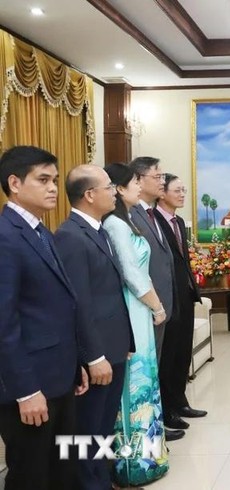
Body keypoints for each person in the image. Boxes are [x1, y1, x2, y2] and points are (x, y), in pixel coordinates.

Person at [0, 145, 88, 490]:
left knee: (60, 470)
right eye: (43, 179)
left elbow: (55, 308)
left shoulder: (40, 231)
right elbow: (4, 323)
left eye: (54, 179)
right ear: (15, 183)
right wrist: (25, 391)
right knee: (31, 475)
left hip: (58, 376)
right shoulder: (6, 237)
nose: (53, 187)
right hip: (30, 385)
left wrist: (75, 362)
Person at [54, 165, 136, 490]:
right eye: (108, 187)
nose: (114, 191)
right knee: (88, 431)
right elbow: (79, 303)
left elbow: (110, 294)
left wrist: (125, 341)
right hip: (98, 354)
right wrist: (93, 356)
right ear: (90, 195)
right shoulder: (71, 236)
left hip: (113, 347)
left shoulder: (98, 230)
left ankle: (103, 481)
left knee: (103, 427)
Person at [102, 163, 173, 486]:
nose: (138, 187)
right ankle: (134, 464)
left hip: (139, 309)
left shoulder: (127, 220)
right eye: (134, 182)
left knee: (146, 381)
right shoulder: (115, 225)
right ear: (119, 188)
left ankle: (150, 455)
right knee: (135, 385)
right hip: (133, 308)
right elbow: (132, 274)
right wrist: (157, 306)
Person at [153, 173, 207, 429]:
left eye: (185, 190)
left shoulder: (179, 220)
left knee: (182, 352)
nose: (183, 194)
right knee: (169, 354)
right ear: (162, 193)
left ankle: (180, 401)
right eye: (178, 190)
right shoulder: (153, 221)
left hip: (184, 294)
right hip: (167, 295)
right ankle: (167, 410)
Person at [128, 157, 175, 359]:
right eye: (157, 177)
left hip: (161, 305)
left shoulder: (151, 212)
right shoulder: (130, 214)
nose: (162, 182)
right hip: (145, 306)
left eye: (163, 177)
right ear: (138, 179)